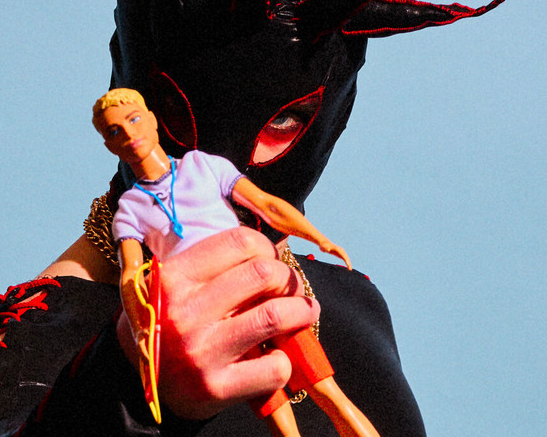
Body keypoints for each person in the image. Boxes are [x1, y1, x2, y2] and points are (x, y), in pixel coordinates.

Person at [0, 0, 502, 435]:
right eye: (173, 114)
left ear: (340, 112)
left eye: (283, 124)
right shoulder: (40, 340)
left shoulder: (356, 304)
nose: (221, 171)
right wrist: (131, 385)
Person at [93, 87, 379, 437]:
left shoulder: (202, 166)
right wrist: (143, 332)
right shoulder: (130, 210)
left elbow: (265, 204)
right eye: (115, 131)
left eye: (134, 119)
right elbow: (131, 275)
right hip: (215, 317)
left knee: (328, 392)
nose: (129, 133)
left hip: (260, 286)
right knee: (277, 416)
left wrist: (317, 237)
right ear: (109, 145)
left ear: (152, 121)